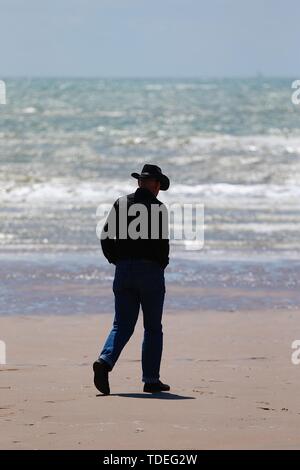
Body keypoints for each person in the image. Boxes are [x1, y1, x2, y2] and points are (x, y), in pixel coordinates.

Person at [93, 164, 170, 394]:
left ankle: (105, 361)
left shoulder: (121, 203)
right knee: (153, 327)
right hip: (150, 272)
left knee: (122, 324)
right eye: (158, 185)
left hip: (124, 271)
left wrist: (117, 261)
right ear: (155, 185)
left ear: (140, 182)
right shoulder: (158, 208)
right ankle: (150, 380)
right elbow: (162, 246)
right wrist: (159, 266)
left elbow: (106, 236)